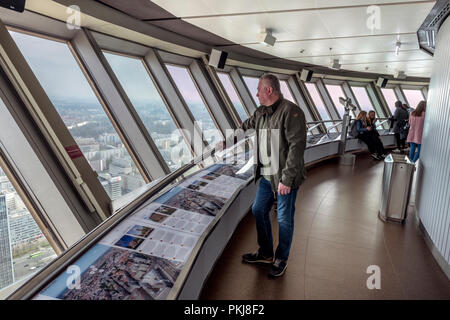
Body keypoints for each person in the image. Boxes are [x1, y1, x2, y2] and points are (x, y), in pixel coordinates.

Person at [220, 73, 306, 278]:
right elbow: (246, 126)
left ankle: (281, 258)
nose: (256, 92)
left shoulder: (291, 112)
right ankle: (266, 252)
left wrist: (286, 178)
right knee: (258, 210)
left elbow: (297, 146)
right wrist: (228, 142)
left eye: (259, 88)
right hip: (267, 176)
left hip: (285, 177)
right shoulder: (261, 112)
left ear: (269, 90)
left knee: (284, 218)